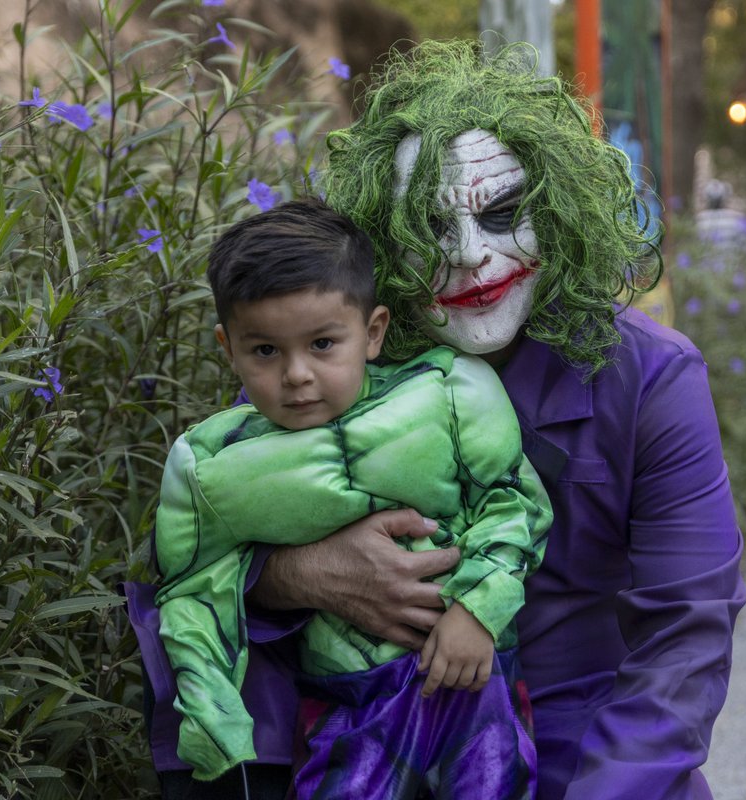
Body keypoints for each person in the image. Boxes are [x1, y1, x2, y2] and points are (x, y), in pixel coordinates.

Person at [128, 39, 746, 800]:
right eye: (428, 227)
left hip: (587, 760)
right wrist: (296, 574)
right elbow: (206, 547)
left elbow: (685, 633)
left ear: (560, 207)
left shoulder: (651, 376)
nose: (471, 258)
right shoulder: (330, 356)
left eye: (503, 213)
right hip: (360, 749)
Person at [153, 197, 552, 798]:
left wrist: (477, 610)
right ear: (227, 347)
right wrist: (213, 721)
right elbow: (191, 588)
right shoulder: (213, 468)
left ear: (372, 332)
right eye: (265, 351)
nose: (296, 375)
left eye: (322, 344)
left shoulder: (447, 395)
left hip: (475, 681)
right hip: (347, 703)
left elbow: (516, 502)